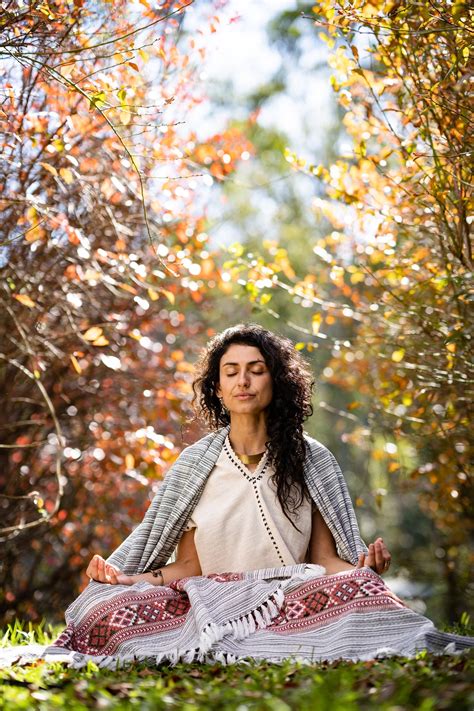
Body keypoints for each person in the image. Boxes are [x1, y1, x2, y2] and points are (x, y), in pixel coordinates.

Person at [44, 324, 472, 666]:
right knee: (103, 605)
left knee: (364, 591)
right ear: (217, 387)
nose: (243, 381)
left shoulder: (311, 459)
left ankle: (276, 637)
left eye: (256, 369)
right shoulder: (195, 464)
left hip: (292, 600)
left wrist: (363, 571)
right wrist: (128, 579)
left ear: (277, 380)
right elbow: (190, 564)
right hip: (210, 601)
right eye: (231, 372)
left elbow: (324, 560)